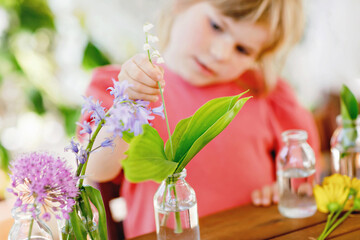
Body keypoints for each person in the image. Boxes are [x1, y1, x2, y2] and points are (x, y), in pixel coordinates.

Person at [83, 0, 321, 238]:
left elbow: (305, 172)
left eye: (243, 50)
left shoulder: (265, 94)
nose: (220, 53)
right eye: (216, 26)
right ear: (182, 4)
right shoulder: (122, 87)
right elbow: (94, 168)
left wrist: (281, 190)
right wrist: (128, 101)